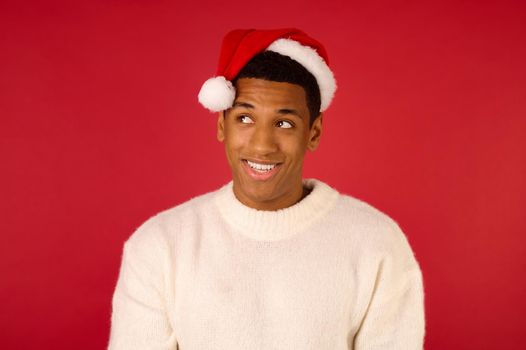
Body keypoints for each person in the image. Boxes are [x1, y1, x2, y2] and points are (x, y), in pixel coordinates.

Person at [108, 28, 425, 350]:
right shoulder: (159, 245)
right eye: (245, 118)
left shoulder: (377, 243)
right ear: (222, 125)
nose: (262, 145)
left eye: (284, 123)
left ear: (313, 133)